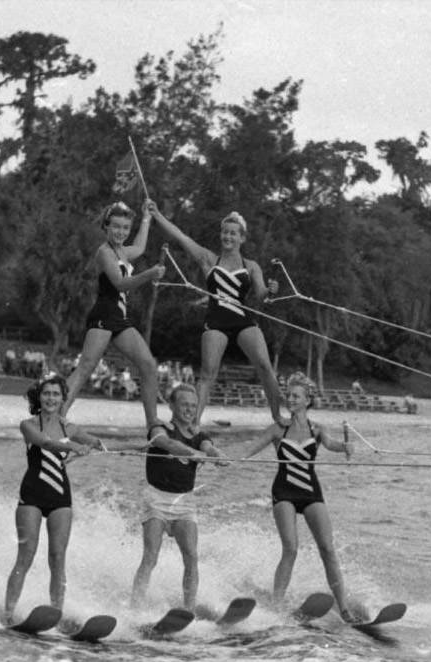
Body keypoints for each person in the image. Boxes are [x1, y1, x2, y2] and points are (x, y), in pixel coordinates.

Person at [147, 201, 283, 425]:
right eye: (225, 232)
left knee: (265, 365)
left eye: (233, 233)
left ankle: (278, 416)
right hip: (216, 320)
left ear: (242, 238)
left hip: (242, 320)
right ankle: (194, 423)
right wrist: (157, 215)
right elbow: (181, 237)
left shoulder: (251, 266)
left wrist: (271, 290)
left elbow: (261, 295)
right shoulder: (209, 259)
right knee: (208, 373)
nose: (228, 237)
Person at [243, 372, 358, 622]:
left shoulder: (317, 430)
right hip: (283, 492)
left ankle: (344, 608)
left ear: (307, 401)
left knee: (327, 549)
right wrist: (226, 458)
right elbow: (251, 448)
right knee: (291, 548)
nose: (290, 399)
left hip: (310, 491)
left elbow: (332, 444)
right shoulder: (278, 429)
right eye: (289, 395)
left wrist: (345, 448)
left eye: (296, 396)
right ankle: (277, 606)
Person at [3, 373, 105, 625]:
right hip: (32, 495)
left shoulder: (69, 428)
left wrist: (93, 445)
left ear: (62, 399)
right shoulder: (28, 424)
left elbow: (93, 441)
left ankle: (55, 613)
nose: (50, 398)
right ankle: (8, 613)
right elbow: (44, 443)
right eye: (46, 393)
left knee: (58, 558)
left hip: (60, 496)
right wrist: (71, 448)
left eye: (55, 394)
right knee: (26, 555)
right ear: (40, 397)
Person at [63, 200, 165, 427]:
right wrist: (149, 274)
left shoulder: (123, 252)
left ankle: (153, 424)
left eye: (125, 228)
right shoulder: (104, 252)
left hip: (120, 319)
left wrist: (146, 218)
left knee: (148, 364)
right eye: (116, 226)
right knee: (86, 367)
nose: (121, 232)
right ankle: (56, 416)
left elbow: (139, 247)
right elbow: (120, 284)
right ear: (106, 227)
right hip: (104, 314)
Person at [132, 383, 226, 610]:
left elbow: (208, 446)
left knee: (191, 557)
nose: (189, 409)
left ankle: (188, 610)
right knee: (151, 556)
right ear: (172, 406)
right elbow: (166, 443)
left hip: (184, 502)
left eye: (193, 406)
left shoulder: (199, 436)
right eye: (184, 404)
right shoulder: (159, 428)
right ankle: (135, 608)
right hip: (156, 499)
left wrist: (216, 454)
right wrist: (192, 453)